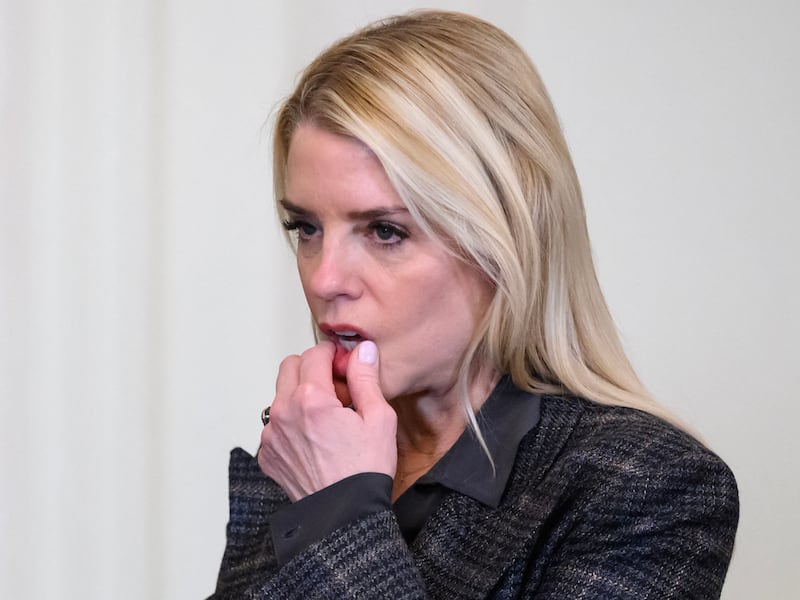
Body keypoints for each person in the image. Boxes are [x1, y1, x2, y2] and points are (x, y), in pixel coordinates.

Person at [210, 10, 738, 599]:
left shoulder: (645, 484)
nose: (324, 277)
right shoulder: (304, 448)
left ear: (505, 238)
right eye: (306, 228)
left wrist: (337, 512)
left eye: (385, 231)